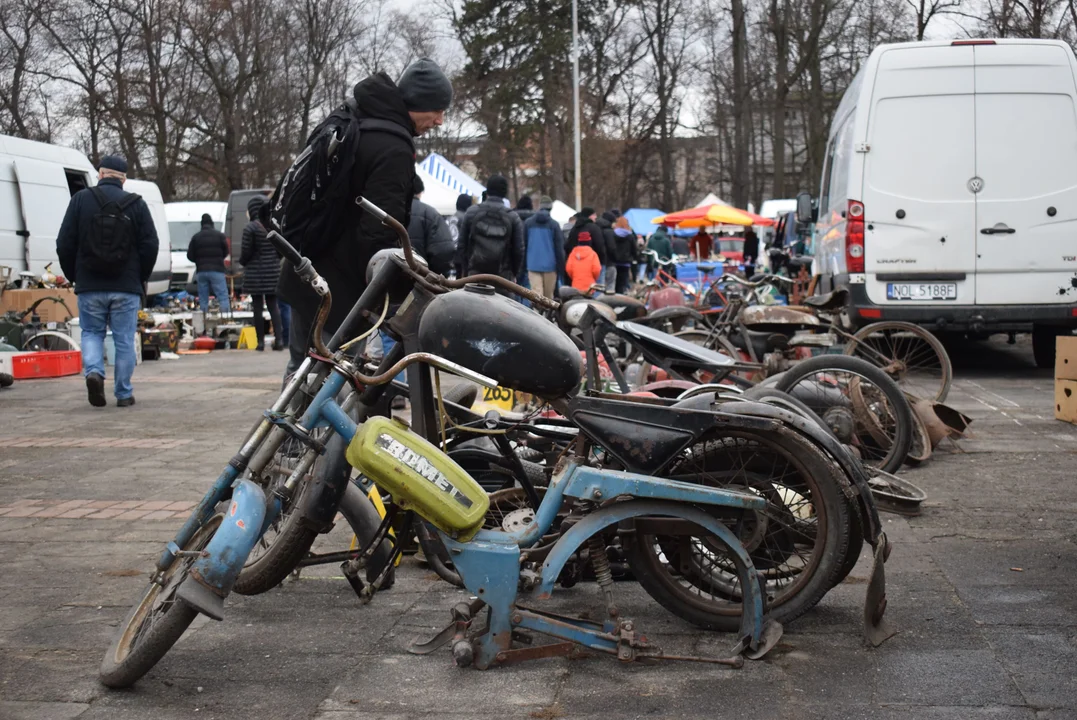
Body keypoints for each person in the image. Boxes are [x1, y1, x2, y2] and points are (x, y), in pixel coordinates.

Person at [278, 57, 453, 376]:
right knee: (336, 379)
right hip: (341, 294)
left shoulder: (358, 118)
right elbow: (379, 235)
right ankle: (311, 427)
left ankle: (285, 426)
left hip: (307, 269)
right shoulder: (393, 147)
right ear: (419, 102)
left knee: (300, 371)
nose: (440, 120)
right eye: (438, 110)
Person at [56, 154, 158, 408]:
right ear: (123, 179)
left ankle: (94, 373)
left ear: (100, 174)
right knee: (124, 338)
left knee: (91, 332)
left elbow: (64, 243)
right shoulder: (137, 204)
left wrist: (75, 275)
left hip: (90, 284)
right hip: (126, 286)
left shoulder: (80, 200)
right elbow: (150, 245)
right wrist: (140, 277)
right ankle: (123, 394)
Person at [456, 174, 524, 282]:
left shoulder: (471, 213)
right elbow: (518, 251)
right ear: (505, 193)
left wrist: (467, 269)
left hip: (475, 276)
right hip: (503, 279)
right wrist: (513, 274)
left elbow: (461, 246)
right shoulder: (513, 217)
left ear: (487, 191)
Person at [240, 196, 283, 351]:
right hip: (273, 272)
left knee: (257, 308)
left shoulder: (250, 228)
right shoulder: (273, 226)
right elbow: (281, 250)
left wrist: (243, 262)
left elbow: (246, 252)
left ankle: (260, 342)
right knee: (273, 307)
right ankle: (279, 341)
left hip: (255, 274)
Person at [407, 175, 455, 275]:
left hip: (388, 275)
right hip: (420, 277)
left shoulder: (388, 210)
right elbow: (444, 250)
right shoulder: (430, 213)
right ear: (420, 192)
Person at [186, 213, 231, 317]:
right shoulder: (220, 236)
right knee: (222, 296)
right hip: (217, 270)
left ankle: (203, 319)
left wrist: (198, 261)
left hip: (201, 271)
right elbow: (226, 251)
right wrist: (219, 259)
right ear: (212, 223)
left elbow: (190, 255)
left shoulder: (196, 237)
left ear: (201, 224)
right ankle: (226, 318)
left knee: (203, 298)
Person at [523, 195, 566, 299]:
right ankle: (546, 315)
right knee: (548, 298)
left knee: (536, 296)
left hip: (532, 265)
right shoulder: (554, 225)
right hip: (550, 267)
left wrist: (523, 266)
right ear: (550, 207)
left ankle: (536, 313)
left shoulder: (528, 223)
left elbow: (523, 245)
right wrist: (561, 269)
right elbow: (559, 249)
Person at [565, 207, 606, 279]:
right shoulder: (594, 228)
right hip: (593, 264)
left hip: (577, 265)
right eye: (594, 215)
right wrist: (602, 261)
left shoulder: (574, 229)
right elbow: (600, 246)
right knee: (596, 288)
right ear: (589, 215)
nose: (595, 217)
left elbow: (568, 246)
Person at [612, 216, 636, 293]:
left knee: (615, 282)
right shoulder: (630, 236)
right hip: (625, 263)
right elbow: (634, 249)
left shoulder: (613, 234)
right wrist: (633, 258)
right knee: (623, 283)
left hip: (614, 262)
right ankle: (621, 298)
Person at [597, 211, 619, 289]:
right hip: (609, 263)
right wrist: (616, 258)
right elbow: (612, 248)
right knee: (610, 286)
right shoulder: (609, 231)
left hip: (597, 262)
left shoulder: (596, 229)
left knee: (599, 286)